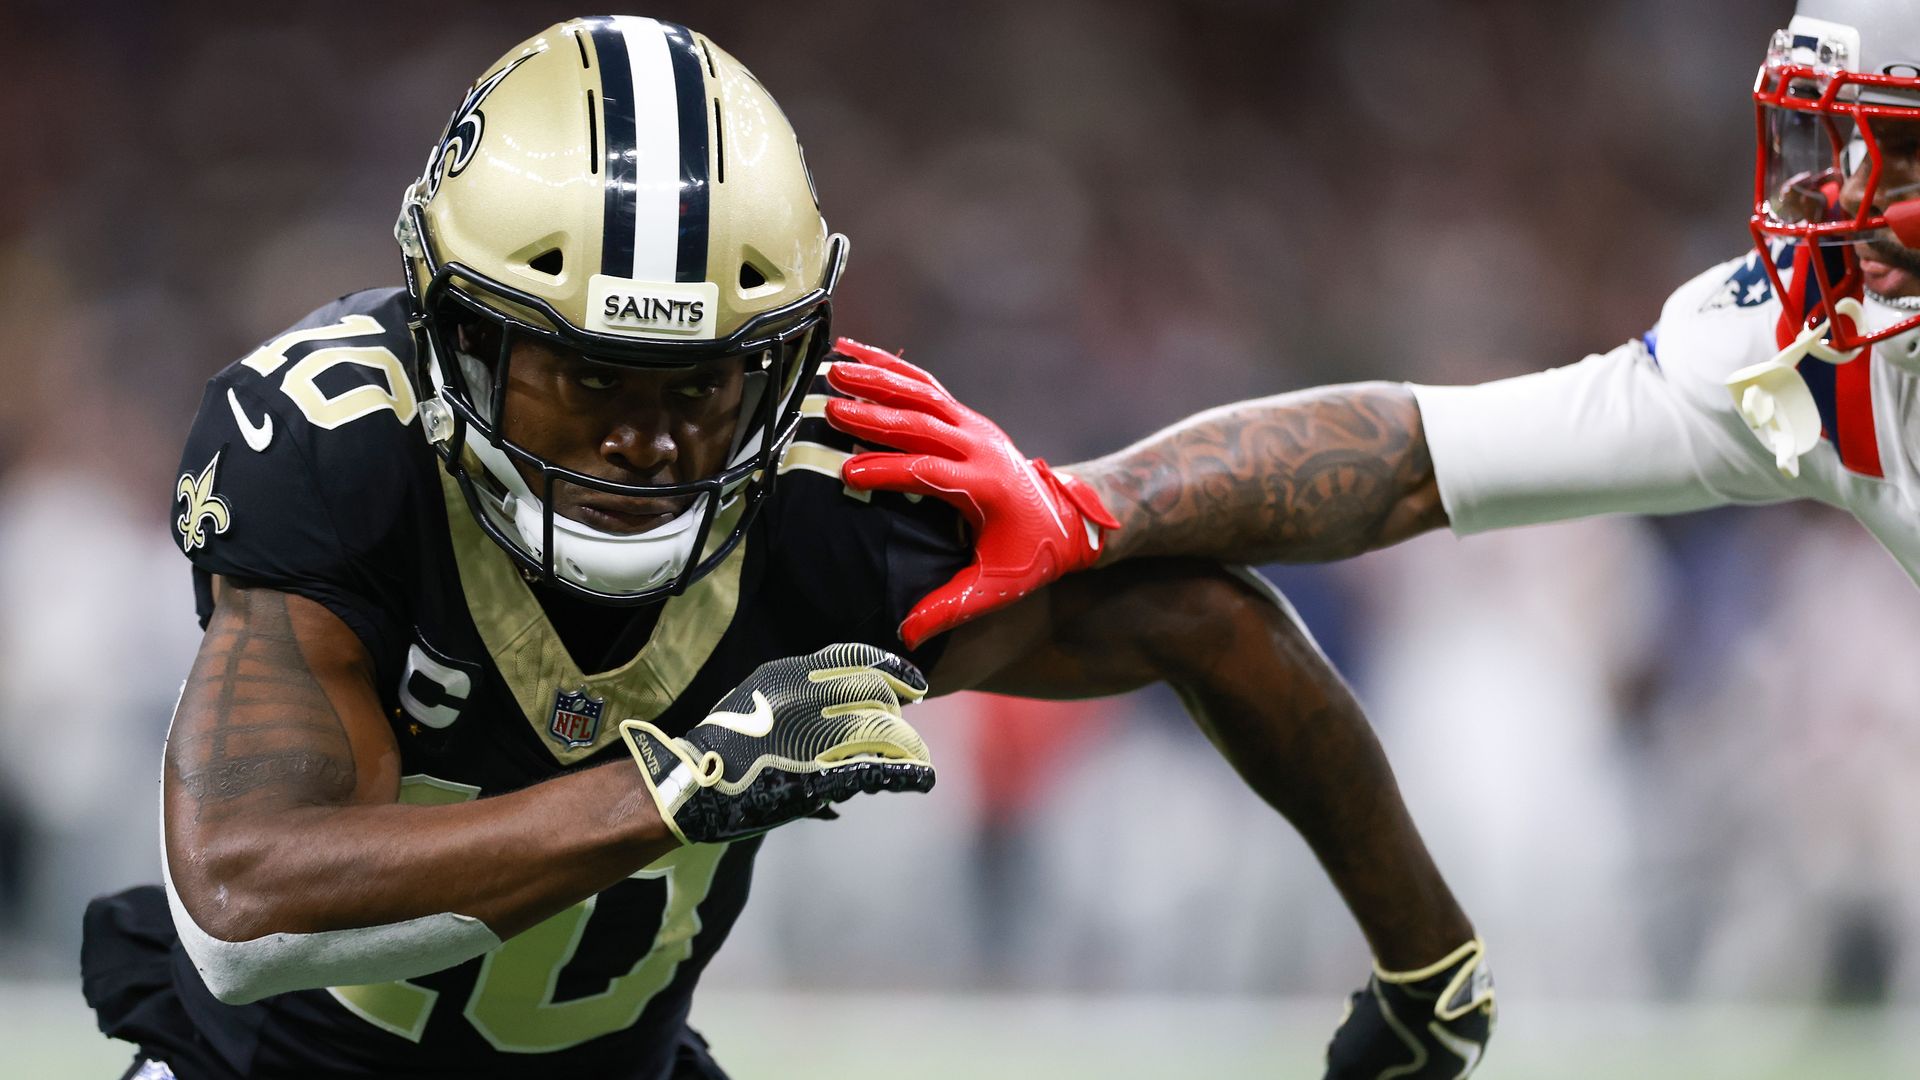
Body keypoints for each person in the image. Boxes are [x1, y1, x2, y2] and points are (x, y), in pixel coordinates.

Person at [79, 16, 1492, 1080]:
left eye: (697, 382)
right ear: (461, 343)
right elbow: (244, 907)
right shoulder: (343, 453)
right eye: (589, 378)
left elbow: (1207, 621)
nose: (649, 442)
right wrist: (689, 786)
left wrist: (1430, 966)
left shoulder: (830, 503)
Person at [827, 0, 1920, 638]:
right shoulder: (1804, 351)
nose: (1835, 198)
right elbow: (1415, 457)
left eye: (1894, 153)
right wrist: (1087, 505)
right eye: (1832, 146)